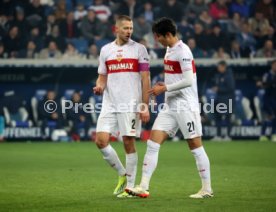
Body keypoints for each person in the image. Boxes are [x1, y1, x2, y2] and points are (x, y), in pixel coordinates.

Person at [126, 17, 213, 199]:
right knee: (152, 143)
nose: (157, 39)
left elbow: (189, 80)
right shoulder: (168, 49)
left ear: (167, 34)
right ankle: (143, 187)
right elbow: (177, 76)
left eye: (158, 36)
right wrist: (164, 84)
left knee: (195, 145)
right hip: (170, 105)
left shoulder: (183, 52)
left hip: (185, 106)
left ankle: (206, 189)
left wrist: (165, 88)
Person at [93, 15, 150, 198]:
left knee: (128, 142)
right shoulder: (105, 50)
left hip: (130, 103)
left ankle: (130, 187)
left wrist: (144, 105)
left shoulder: (139, 49)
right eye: (125, 28)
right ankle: (122, 174)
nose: (129, 32)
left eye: (131, 28)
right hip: (109, 103)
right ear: (115, 29)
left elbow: (145, 78)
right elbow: (102, 75)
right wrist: (100, 86)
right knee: (100, 141)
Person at [211, 61, 235, 141]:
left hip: (228, 100)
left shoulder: (229, 75)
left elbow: (230, 88)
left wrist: (219, 89)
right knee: (218, 117)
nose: (218, 68)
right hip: (219, 99)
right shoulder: (218, 75)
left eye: (220, 66)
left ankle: (228, 136)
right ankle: (218, 135)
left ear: (224, 66)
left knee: (228, 117)